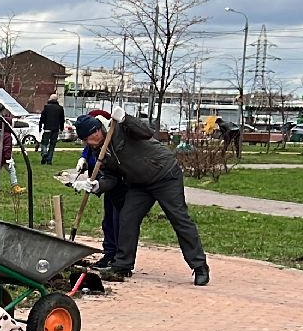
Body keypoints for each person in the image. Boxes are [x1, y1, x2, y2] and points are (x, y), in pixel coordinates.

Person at [76, 109, 210, 286]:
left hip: (164, 174)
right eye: (84, 140)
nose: (87, 143)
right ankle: (122, 265)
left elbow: (146, 132)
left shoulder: (120, 129)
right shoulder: (98, 151)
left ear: (96, 131)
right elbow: (111, 177)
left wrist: (126, 119)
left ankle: (199, 266)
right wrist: (98, 185)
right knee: (127, 217)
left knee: (179, 218)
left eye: (87, 138)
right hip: (139, 184)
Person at [67, 112, 124, 270]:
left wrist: (98, 183)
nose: (87, 143)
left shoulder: (108, 135)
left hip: (121, 182)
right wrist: (83, 159)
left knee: (118, 220)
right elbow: (90, 149)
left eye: (87, 139)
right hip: (106, 180)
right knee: (108, 220)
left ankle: (119, 258)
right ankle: (110, 253)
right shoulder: (93, 139)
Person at [39, 94, 65, 164]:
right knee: (52, 145)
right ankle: (49, 159)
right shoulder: (60, 108)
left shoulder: (46, 107)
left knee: (44, 143)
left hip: (47, 128)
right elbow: (62, 119)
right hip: (55, 129)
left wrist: (40, 126)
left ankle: (44, 153)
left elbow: (42, 118)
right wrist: (61, 128)